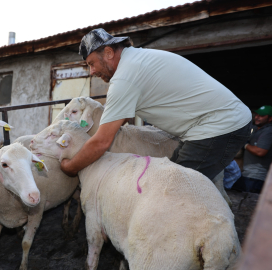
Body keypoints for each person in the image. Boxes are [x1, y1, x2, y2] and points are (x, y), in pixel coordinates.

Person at [61, 28, 251, 180]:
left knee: (175, 192)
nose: (92, 71)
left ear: (109, 53)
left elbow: (102, 142)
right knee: (171, 174)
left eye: (92, 63)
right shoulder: (136, 59)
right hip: (215, 124)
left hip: (220, 127)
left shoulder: (124, 79)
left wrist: (70, 168)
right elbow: (123, 116)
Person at [232, 105, 272, 193]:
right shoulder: (255, 129)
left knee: (246, 202)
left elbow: (260, 151)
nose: (257, 117)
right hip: (246, 173)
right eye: (256, 114)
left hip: (256, 175)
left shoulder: (268, 131)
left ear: (270, 119)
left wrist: (245, 145)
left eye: (261, 116)